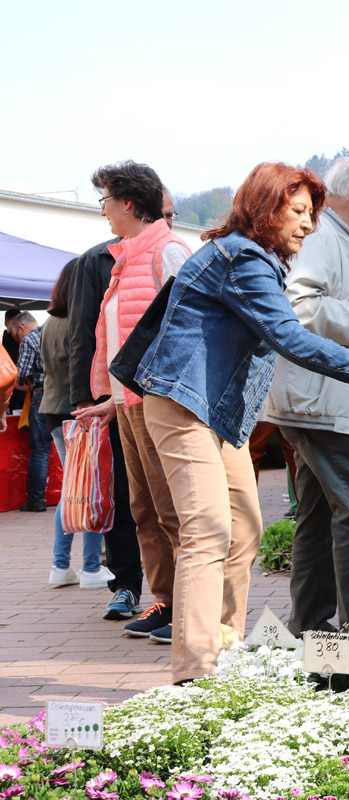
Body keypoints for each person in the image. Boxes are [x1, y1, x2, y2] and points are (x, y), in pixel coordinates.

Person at [133, 162, 349, 685]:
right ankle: (197, 674)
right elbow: (290, 334)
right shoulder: (243, 257)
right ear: (264, 208)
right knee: (210, 530)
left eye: (311, 213)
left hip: (219, 411)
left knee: (249, 527)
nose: (306, 224)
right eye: (297, 212)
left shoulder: (259, 258)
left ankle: (251, 647)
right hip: (188, 403)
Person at [260, 157, 349, 635]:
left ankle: (311, 628)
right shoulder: (321, 235)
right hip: (319, 403)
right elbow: (298, 308)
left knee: (318, 518)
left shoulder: (333, 236)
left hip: (317, 400)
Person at [75, 163, 192, 643]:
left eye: (104, 200)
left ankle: (191, 608)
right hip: (128, 404)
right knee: (143, 508)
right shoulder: (124, 258)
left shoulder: (168, 251)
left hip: (158, 403)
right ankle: (165, 602)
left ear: (127, 203)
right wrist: (110, 400)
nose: (101, 210)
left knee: (173, 509)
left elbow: (190, 331)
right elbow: (124, 339)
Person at [69, 207, 144, 621]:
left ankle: (170, 590)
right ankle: (127, 584)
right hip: (109, 397)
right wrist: (84, 397)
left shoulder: (168, 252)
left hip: (156, 397)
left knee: (159, 496)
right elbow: (82, 330)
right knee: (118, 494)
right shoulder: (95, 260)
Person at [41, 260, 112, 588]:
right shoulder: (79, 321)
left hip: (52, 409)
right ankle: (91, 568)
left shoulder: (47, 323)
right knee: (92, 487)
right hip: (80, 409)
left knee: (73, 487)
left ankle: (60, 566)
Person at [12, 311, 49, 512]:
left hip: (42, 397)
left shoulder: (30, 339)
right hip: (67, 397)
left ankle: (36, 500)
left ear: (21, 328)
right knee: (70, 448)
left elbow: (22, 375)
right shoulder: (58, 332)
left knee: (40, 451)